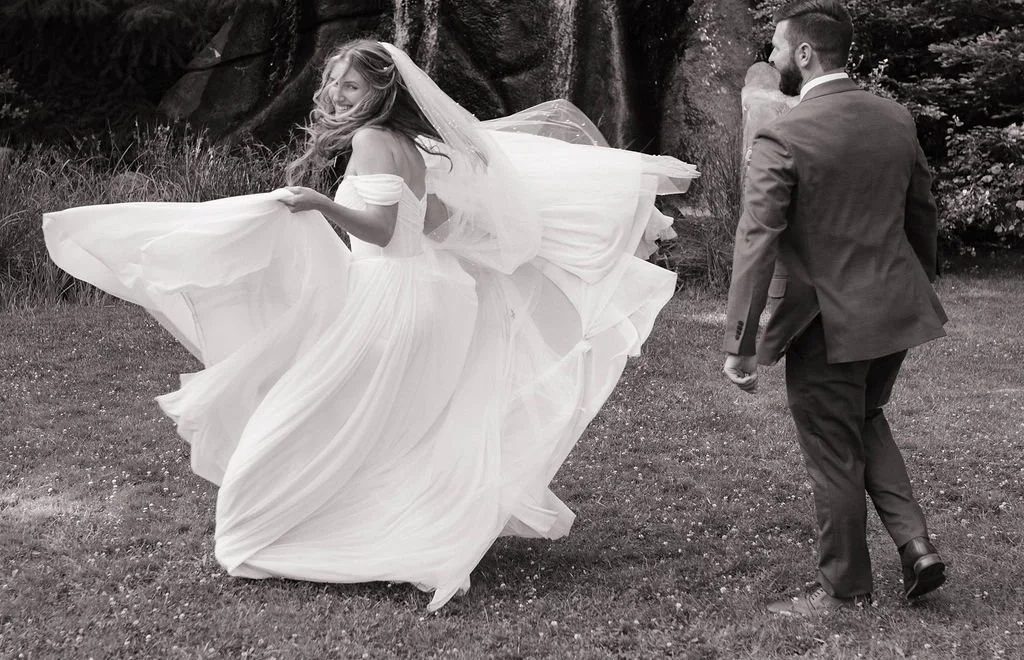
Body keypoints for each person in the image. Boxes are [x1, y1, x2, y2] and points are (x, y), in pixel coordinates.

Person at [44, 40, 697, 612]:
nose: (335, 93)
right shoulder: (413, 147)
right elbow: (431, 222)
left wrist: (316, 202)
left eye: (349, 84)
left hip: (395, 303)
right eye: (333, 83)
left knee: (300, 415)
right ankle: (404, 528)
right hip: (429, 296)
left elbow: (383, 231)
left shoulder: (373, 141)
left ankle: (294, 532)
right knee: (388, 430)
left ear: (382, 90)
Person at [721, 0, 948, 618]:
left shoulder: (783, 133)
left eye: (775, 45)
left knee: (832, 448)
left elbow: (757, 239)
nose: (768, 56)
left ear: (803, 52)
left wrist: (740, 342)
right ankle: (916, 544)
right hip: (892, 311)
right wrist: (916, 285)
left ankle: (844, 591)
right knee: (865, 416)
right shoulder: (895, 117)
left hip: (828, 322)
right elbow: (921, 212)